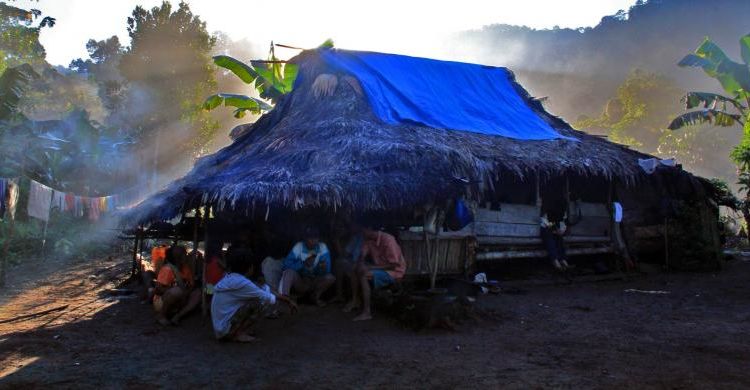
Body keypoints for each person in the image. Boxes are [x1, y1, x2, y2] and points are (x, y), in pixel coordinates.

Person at [211, 248, 297, 342]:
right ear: (250, 268)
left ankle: (236, 331)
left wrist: (287, 300)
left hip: (220, 329)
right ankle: (238, 334)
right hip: (225, 330)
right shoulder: (243, 283)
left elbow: (263, 289)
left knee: (258, 296)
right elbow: (267, 297)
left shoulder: (231, 278)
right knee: (258, 303)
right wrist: (287, 301)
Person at [344, 227, 406, 321]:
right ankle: (355, 300)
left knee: (364, 275)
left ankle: (367, 312)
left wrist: (369, 267)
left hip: (394, 272)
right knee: (355, 269)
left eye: (363, 230)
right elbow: (362, 254)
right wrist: (360, 263)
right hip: (380, 268)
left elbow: (393, 265)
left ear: (370, 229)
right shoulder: (368, 239)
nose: (361, 233)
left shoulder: (388, 240)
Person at [279, 227, 335, 306]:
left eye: (315, 238)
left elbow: (327, 270)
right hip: (301, 281)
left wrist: (321, 268)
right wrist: (303, 264)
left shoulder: (322, 247)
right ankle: (285, 299)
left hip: (315, 280)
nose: (313, 240)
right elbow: (285, 265)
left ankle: (315, 297)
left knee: (330, 277)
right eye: (310, 237)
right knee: (288, 272)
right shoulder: (299, 246)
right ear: (305, 238)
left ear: (319, 239)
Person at [153, 245, 201, 326]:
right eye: (183, 254)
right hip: (162, 301)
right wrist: (178, 291)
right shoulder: (167, 269)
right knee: (176, 291)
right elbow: (158, 290)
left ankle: (177, 316)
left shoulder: (186, 269)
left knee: (198, 293)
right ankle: (161, 315)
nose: (186, 256)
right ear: (177, 257)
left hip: (181, 299)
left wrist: (186, 292)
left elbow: (191, 285)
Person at [331, 221, 364, 303]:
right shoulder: (355, 238)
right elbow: (344, 254)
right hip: (353, 262)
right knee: (339, 262)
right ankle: (339, 295)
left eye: (353, 225)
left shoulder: (366, 237)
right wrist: (337, 240)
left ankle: (355, 299)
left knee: (349, 267)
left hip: (364, 263)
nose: (351, 228)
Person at [540, 192, 569, 271]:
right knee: (550, 240)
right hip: (546, 229)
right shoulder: (548, 209)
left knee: (560, 240)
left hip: (556, 230)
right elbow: (545, 221)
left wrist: (562, 230)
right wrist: (554, 230)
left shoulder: (562, 211)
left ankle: (563, 260)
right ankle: (555, 260)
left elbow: (563, 222)